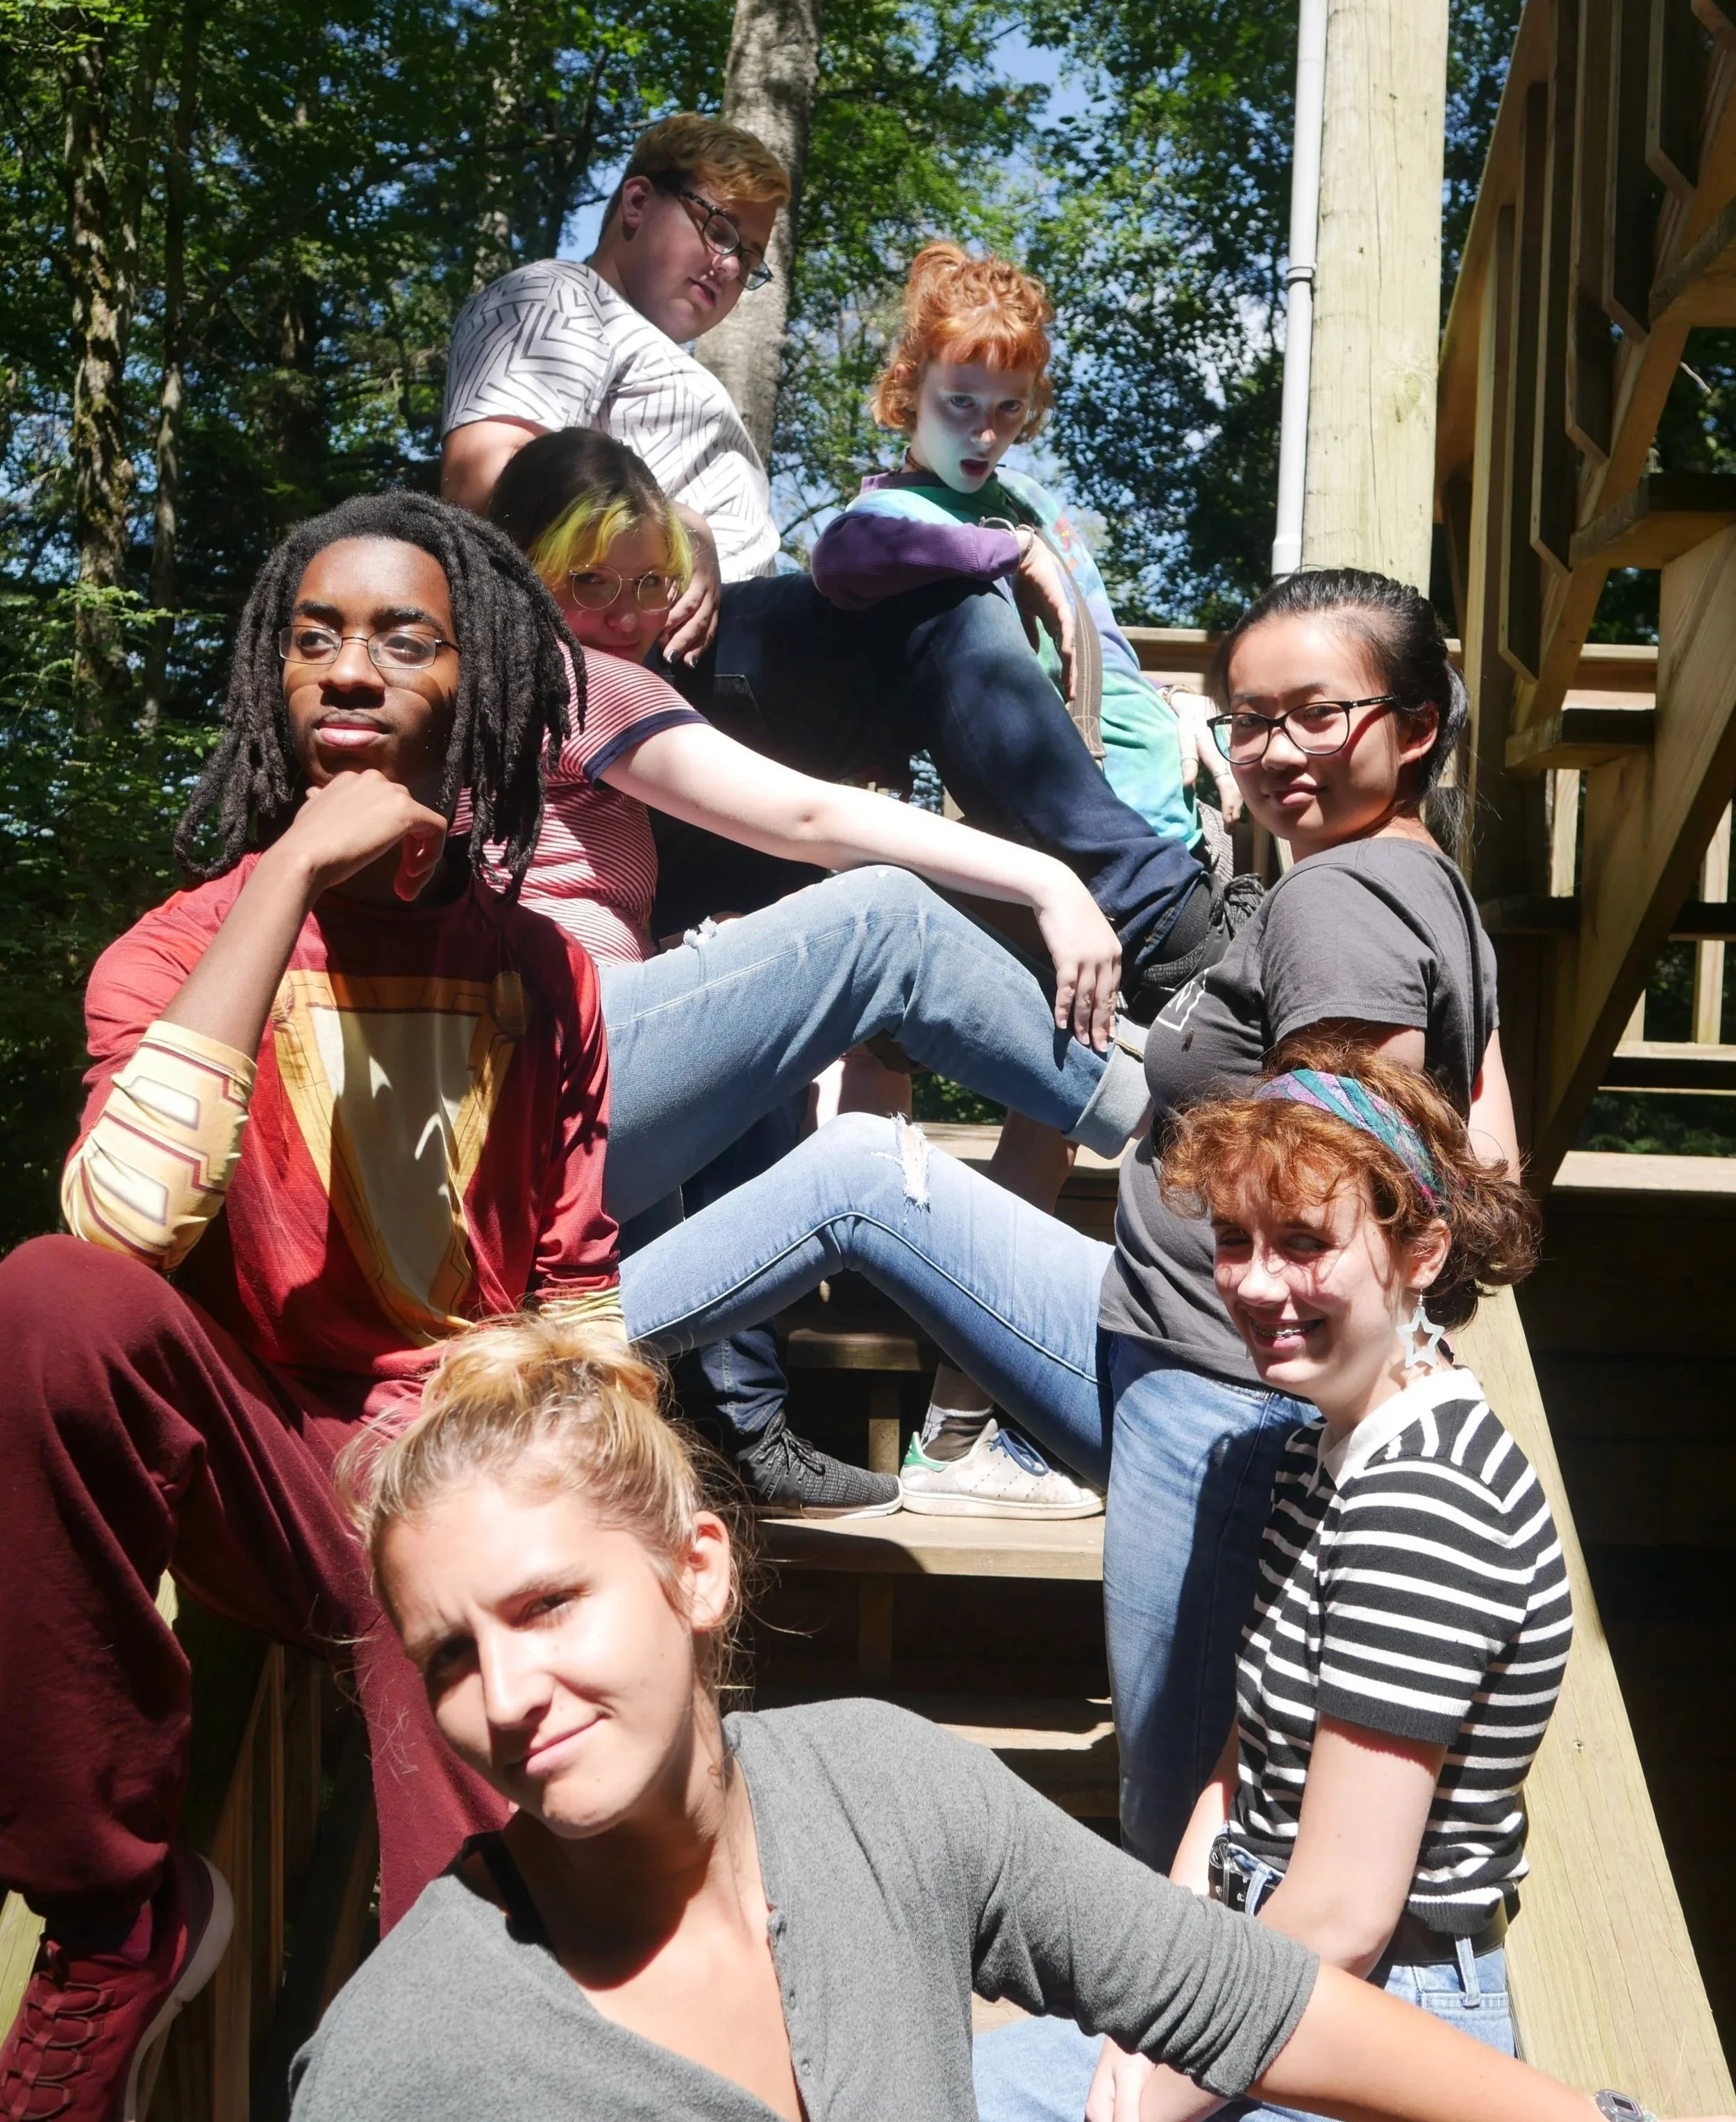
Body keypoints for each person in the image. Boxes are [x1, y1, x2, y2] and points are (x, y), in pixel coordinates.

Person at [287, 1311, 1689, 2122]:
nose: (509, 1694)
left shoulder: (877, 1793)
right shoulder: (409, 2060)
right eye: (450, 1658)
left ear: (694, 1570)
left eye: (545, 1607)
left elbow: (1228, 1990)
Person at [616, 567, 1525, 1807]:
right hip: (1156, 1334)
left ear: (1416, 727)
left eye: (1320, 715)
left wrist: (1302, 1410)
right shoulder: (1420, 885)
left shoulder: (1337, 902)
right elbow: (1490, 1157)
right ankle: (562, 1340)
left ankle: (502, 1362)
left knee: (1187, 1810)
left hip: (1221, 1399)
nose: (1275, 752)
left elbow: (1344, 1191)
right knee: (864, 1169)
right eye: (1249, 722)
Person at [0, 494, 616, 2122]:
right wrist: (283, 881)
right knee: (47, 1300)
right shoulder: (177, 951)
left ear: (474, 682)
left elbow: (576, 1284)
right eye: (314, 634)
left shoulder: (538, 974)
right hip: (250, 1463)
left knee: (474, 1959)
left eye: (403, 638)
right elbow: (127, 1219)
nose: (350, 667)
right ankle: (113, 1912)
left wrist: (516, 1455)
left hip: (446, 1474)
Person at [440, 113, 1229, 1007]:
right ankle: (1163, 917)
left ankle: (1129, 1014)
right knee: (941, 598)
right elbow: (485, 485)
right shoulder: (552, 302)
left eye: (752, 254)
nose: (731, 265)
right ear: (634, 201)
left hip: (707, 700)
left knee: (801, 934)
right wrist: (672, 526)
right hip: (629, 662)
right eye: (717, 228)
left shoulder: (681, 369)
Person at [487, 425, 1116, 1517]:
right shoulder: (565, 675)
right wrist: (1050, 883)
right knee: (877, 923)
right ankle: (1172, 1121)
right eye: (589, 580)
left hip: (543, 1204)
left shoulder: (484, 693)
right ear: (516, 564)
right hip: (551, 1101)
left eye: (650, 582)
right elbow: (810, 817)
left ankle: (741, 1432)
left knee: (854, 1146)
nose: (627, 614)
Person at [972, 1049, 1565, 2122]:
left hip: (1378, 2019)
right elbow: (1239, 1777)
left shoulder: (1424, 1500)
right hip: (1259, 1976)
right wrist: (1149, 1996)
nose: (1255, 1282)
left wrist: (1150, 2092)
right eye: (1236, 1241)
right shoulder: (1322, 1453)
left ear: (1421, 1251)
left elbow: (1344, 1910)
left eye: (1305, 1244)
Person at [810, 240, 1237, 856]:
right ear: (908, 388)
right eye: (960, 401)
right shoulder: (888, 517)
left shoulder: (1031, 497)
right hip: (1078, 841)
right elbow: (838, 561)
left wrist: (1176, 707)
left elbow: (1106, 652)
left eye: (1009, 407)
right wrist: (1009, 551)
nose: (986, 433)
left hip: (1182, 820)